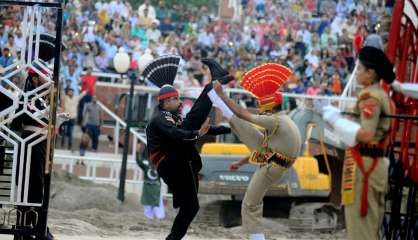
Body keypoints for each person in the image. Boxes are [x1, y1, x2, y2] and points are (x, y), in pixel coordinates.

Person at [207, 68, 302, 240]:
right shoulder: (284, 120)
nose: (259, 107)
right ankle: (216, 99)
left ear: (270, 106)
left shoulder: (274, 120)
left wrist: (222, 95)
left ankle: (257, 239)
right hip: (276, 162)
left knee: (250, 204)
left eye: (262, 104)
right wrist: (240, 163)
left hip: (272, 167)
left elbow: (242, 113)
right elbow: (263, 149)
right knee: (244, 127)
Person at [146, 58, 233, 240]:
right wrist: (197, 133)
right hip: (170, 163)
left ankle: (173, 238)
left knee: (191, 207)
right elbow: (179, 135)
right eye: (175, 99)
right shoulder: (160, 119)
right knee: (193, 121)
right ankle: (214, 83)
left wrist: (230, 127)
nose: (179, 101)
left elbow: (202, 130)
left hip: (178, 163)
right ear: (164, 102)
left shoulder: (172, 117)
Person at [321, 46, 395, 240]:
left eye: (360, 69)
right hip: (371, 165)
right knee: (369, 227)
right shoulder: (379, 95)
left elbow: (366, 134)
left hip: (364, 168)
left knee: (360, 230)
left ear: (371, 73)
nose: (357, 73)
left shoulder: (370, 97)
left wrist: (335, 120)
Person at [136, 142, 165, 220]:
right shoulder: (146, 163)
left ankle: (160, 217)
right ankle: (148, 217)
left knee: (158, 202)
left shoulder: (160, 164)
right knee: (147, 203)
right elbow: (139, 161)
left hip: (156, 186)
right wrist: (138, 152)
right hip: (147, 186)